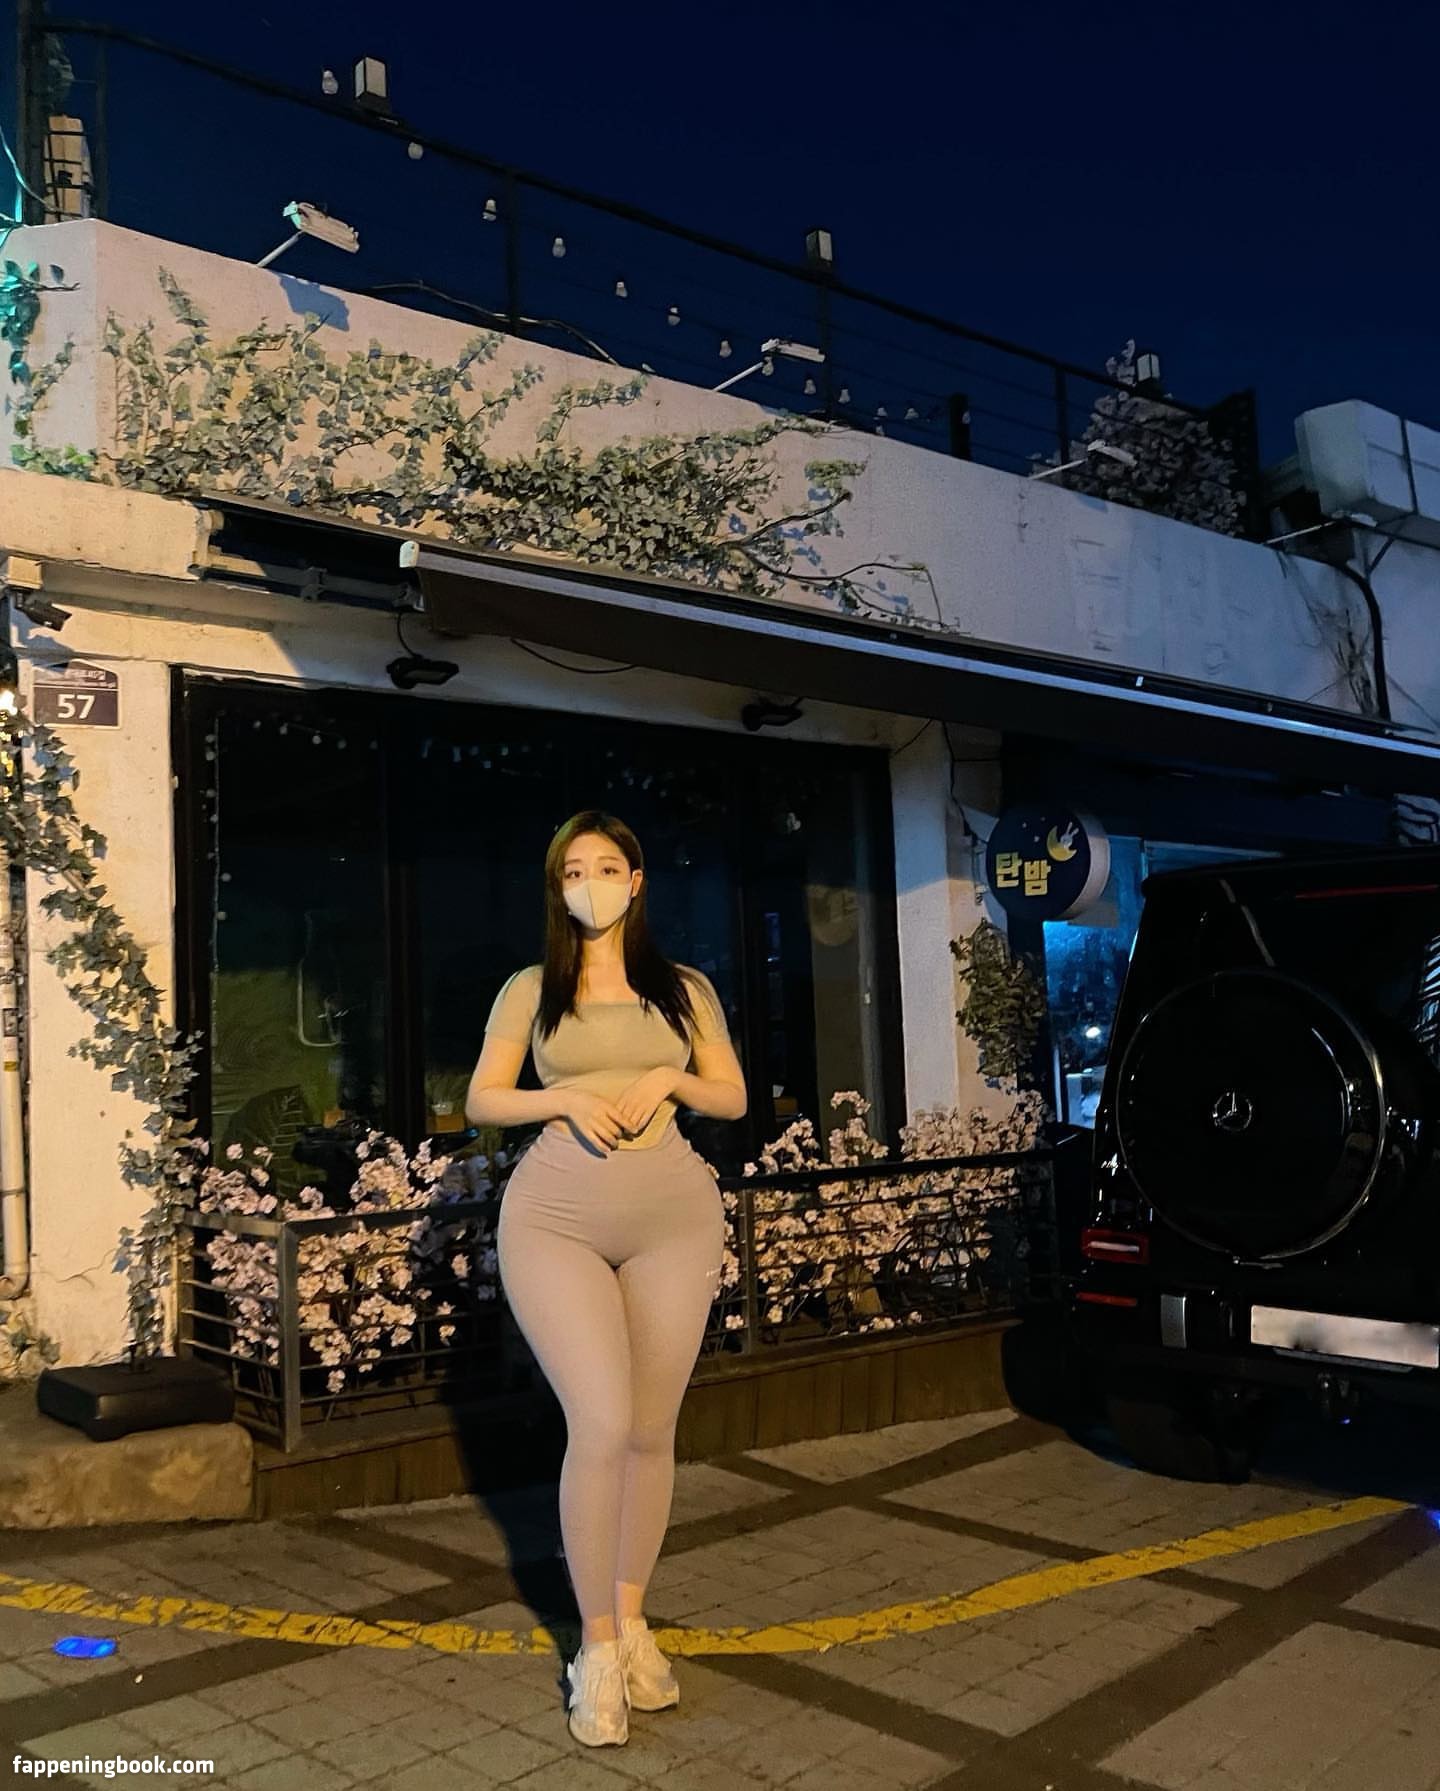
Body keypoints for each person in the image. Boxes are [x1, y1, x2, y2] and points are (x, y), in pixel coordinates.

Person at [465, 809, 747, 1749]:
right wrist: (563, 1097)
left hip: (674, 1216)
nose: (591, 883)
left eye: (607, 866)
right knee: (602, 1421)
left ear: (638, 880)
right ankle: (593, 1647)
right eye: (573, 870)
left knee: (652, 1429)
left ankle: (631, 1623)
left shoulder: (685, 989)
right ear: (559, 888)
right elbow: (482, 1096)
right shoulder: (531, 989)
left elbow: (732, 1094)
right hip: (556, 1219)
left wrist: (670, 1080)